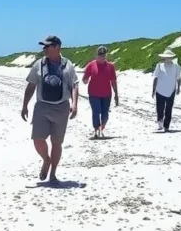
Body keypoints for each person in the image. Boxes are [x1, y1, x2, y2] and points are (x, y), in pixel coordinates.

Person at [21, 35, 79, 182]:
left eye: (47, 46)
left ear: (56, 47)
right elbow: (31, 85)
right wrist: (25, 105)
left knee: (56, 142)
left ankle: (53, 173)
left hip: (61, 108)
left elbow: (74, 85)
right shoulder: (38, 64)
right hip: (42, 106)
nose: (44, 49)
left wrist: (74, 104)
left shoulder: (68, 65)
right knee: (38, 139)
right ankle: (46, 160)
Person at [82, 46, 119, 138]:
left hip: (106, 94)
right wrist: (85, 80)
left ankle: (102, 127)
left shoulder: (110, 66)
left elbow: (113, 81)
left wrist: (116, 95)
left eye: (103, 55)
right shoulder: (91, 65)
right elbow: (84, 79)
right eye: (100, 55)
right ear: (97, 55)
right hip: (93, 93)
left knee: (105, 113)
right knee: (96, 111)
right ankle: (96, 129)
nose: (102, 57)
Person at [152, 49, 181, 132]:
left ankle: (166, 125)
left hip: (171, 90)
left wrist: (178, 88)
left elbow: (178, 78)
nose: (168, 59)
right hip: (160, 90)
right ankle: (160, 121)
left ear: (171, 58)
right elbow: (155, 77)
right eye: (166, 57)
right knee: (159, 108)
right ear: (164, 58)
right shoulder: (159, 66)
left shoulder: (176, 66)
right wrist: (153, 90)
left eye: (169, 57)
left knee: (169, 108)